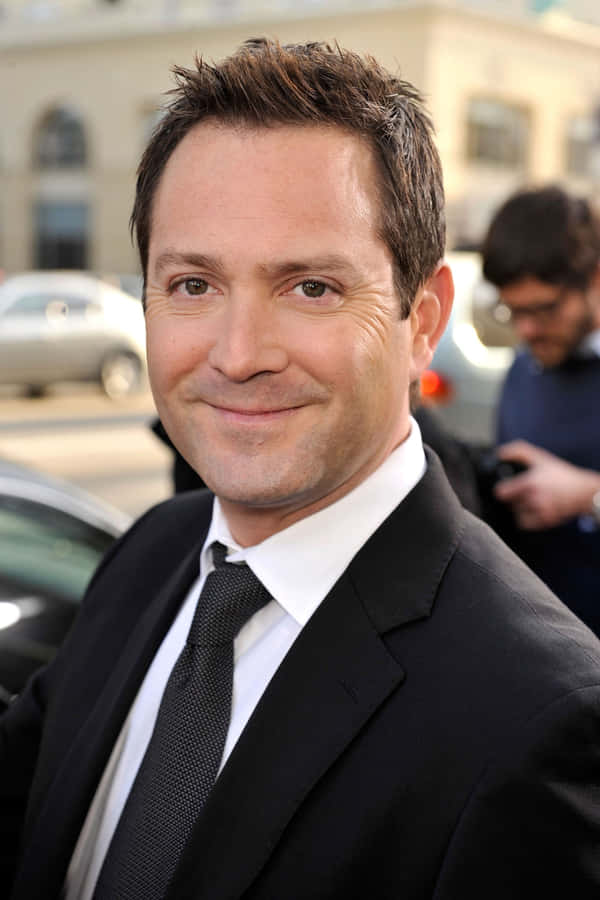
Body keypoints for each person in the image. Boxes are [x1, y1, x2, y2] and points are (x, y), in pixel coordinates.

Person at [2, 40, 600, 900]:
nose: (238, 354)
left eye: (311, 287)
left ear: (422, 321)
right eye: (193, 285)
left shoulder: (538, 718)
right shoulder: (152, 553)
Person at [481, 186, 600, 635]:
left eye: (545, 309)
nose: (527, 329)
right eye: (514, 311)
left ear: (595, 279)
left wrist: (587, 497)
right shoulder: (523, 369)